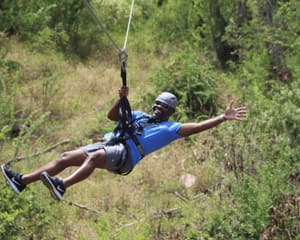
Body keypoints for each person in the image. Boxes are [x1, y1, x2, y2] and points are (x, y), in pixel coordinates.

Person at [1, 86, 247, 201]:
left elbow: (199, 127)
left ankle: (62, 185)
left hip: (126, 155)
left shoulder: (170, 128)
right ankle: (21, 181)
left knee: (95, 158)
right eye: (157, 103)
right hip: (111, 144)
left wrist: (222, 118)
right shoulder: (139, 114)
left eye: (163, 106)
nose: (158, 107)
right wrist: (121, 100)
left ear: (170, 112)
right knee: (65, 157)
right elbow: (111, 117)